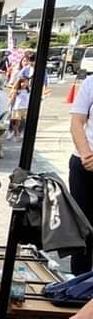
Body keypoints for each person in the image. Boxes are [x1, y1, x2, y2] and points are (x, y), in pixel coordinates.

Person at [68, 73, 93, 275]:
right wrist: (86, 154)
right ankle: (79, 283)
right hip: (84, 164)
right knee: (81, 228)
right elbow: (77, 122)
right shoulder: (90, 82)